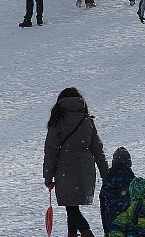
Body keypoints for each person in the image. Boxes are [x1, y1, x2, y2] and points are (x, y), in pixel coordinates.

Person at [43, 87, 108, 237]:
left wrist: (48, 176)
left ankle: (87, 233)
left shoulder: (58, 120)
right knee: (72, 205)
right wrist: (105, 173)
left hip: (65, 168)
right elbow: (97, 149)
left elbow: (51, 149)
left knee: (70, 206)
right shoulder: (87, 120)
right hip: (85, 168)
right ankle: (72, 234)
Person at [100, 147, 135, 236]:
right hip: (129, 220)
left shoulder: (109, 177)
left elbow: (102, 200)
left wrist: (106, 229)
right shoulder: (131, 178)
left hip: (111, 218)